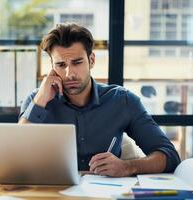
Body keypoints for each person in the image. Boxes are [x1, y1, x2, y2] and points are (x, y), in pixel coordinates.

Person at [19, 23, 180, 177]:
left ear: (91, 60)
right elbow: (15, 154)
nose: (69, 74)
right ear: (52, 67)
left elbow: (169, 156)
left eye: (77, 62)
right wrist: (40, 100)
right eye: (61, 65)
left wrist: (127, 167)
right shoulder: (36, 100)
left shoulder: (122, 100)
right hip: (48, 194)